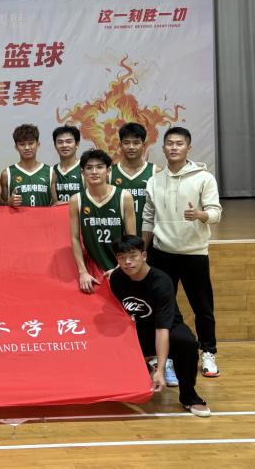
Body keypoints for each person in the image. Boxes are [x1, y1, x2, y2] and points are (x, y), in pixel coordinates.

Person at [142, 126, 223, 377]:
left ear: (189, 148)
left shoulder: (204, 178)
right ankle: (166, 357)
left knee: (202, 307)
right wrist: (143, 249)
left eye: (179, 143)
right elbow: (148, 218)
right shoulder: (154, 180)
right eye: (169, 143)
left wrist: (200, 215)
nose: (174, 147)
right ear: (163, 148)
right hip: (162, 253)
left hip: (194, 253)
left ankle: (208, 352)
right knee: (164, 309)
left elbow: (216, 213)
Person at [102, 235, 210, 417]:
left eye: (133, 256)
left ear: (144, 256)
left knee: (187, 343)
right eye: (122, 257)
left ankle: (189, 396)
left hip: (167, 327)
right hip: (139, 329)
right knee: (108, 337)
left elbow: (162, 329)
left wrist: (160, 370)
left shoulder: (161, 282)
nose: (127, 262)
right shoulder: (117, 279)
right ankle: (132, 378)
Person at [70, 149, 136, 293]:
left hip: (122, 266)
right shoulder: (76, 200)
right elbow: (74, 238)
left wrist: (120, 268)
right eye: (89, 168)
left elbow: (131, 238)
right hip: (93, 268)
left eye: (99, 167)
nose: (94, 172)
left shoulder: (124, 197)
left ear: (108, 171)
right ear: (82, 172)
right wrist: (83, 272)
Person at [0, 124, 56, 207]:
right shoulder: (7, 174)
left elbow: (55, 204)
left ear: (38, 144)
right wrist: (9, 203)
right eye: (22, 144)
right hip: (17, 216)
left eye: (31, 143)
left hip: (44, 216)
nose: (27, 148)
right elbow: (2, 207)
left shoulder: (50, 172)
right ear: (16, 147)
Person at [112, 122, 155, 221]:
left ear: (144, 145)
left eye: (136, 143)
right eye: (126, 143)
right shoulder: (109, 173)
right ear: (120, 145)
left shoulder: (155, 172)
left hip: (147, 229)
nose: (131, 147)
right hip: (118, 230)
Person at [53, 125, 84, 204]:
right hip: (58, 212)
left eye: (69, 142)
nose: (64, 145)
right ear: (55, 145)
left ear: (77, 144)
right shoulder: (51, 171)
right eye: (60, 142)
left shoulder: (85, 169)